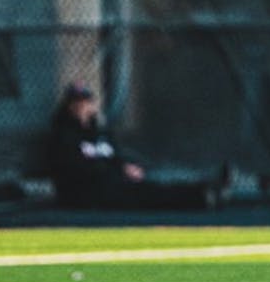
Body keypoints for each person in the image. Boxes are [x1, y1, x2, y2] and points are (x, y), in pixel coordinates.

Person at [47, 83, 223, 210]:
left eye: (86, 102)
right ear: (69, 106)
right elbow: (76, 168)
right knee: (147, 195)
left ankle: (204, 189)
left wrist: (125, 167)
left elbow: (115, 156)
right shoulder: (63, 135)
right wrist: (116, 170)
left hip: (113, 183)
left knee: (154, 184)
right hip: (86, 192)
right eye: (77, 103)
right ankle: (201, 195)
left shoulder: (100, 133)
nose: (82, 107)